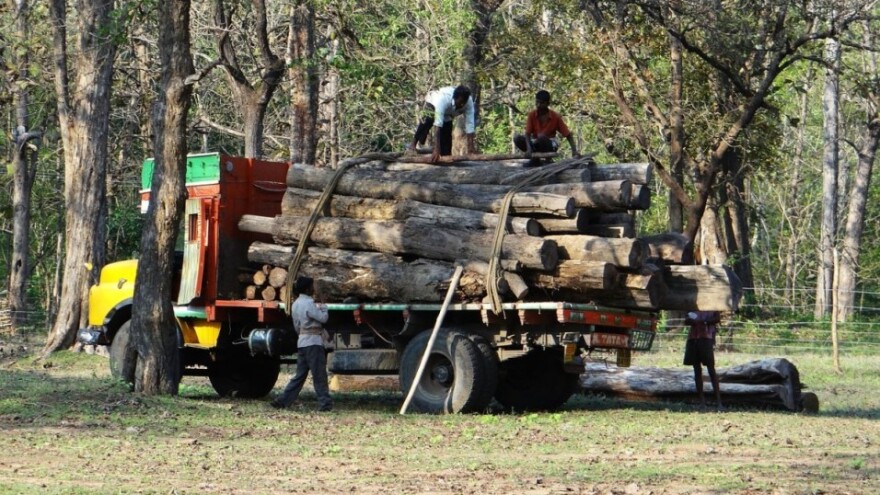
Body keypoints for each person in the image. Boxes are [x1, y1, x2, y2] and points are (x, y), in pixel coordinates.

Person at [271, 276, 332, 412]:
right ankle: (325, 404)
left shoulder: (296, 304)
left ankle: (283, 400)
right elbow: (323, 318)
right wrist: (323, 306)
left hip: (302, 342)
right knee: (319, 375)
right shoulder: (310, 303)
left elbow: (297, 326)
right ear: (307, 289)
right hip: (314, 342)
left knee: (299, 375)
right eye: (312, 286)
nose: (313, 289)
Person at [409, 85, 477, 163]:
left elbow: (470, 125)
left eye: (463, 103)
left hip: (448, 113)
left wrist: (471, 148)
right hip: (433, 103)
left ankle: (445, 157)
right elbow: (437, 125)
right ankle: (412, 145)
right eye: (460, 102)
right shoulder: (443, 99)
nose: (462, 105)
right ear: (454, 98)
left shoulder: (469, 102)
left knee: (446, 138)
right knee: (427, 120)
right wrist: (436, 149)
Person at [513, 90, 580, 164]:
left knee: (542, 137)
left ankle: (548, 159)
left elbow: (568, 135)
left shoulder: (555, 116)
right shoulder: (532, 115)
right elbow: (527, 134)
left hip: (549, 144)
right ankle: (535, 159)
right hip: (535, 143)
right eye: (537, 102)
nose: (538, 105)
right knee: (517, 138)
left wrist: (574, 151)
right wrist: (528, 149)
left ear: (548, 103)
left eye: (541, 103)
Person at [684, 310, 723, 410]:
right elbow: (686, 319)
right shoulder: (692, 305)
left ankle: (718, 402)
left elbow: (717, 318)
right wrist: (693, 321)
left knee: (711, 369)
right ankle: (702, 402)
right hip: (693, 338)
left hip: (706, 337)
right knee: (697, 370)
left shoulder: (713, 304)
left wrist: (704, 322)